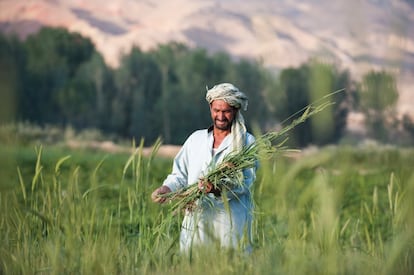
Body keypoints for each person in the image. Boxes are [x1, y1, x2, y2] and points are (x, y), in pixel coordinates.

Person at [151, 83, 257, 253]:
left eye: (226, 111)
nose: (220, 116)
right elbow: (179, 174)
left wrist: (216, 190)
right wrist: (167, 188)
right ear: (210, 108)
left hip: (230, 224)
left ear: (236, 110)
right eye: (216, 110)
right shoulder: (196, 139)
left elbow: (245, 183)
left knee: (228, 267)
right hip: (196, 223)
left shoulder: (246, 143)